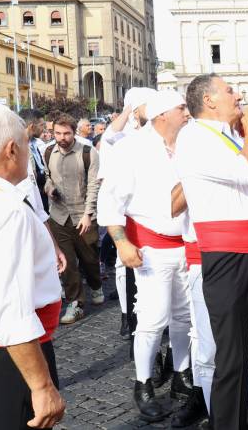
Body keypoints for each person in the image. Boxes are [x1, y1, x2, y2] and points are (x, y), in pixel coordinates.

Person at [175, 74, 248, 430]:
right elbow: (241, 173)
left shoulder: (235, 137)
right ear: (208, 100)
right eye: (229, 91)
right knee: (233, 356)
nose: (238, 96)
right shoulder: (193, 137)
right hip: (227, 256)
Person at [98, 91, 193, 423]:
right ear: (162, 114)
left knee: (184, 316)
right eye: (182, 108)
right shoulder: (132, 148)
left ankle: (181, 373)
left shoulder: (189, 144)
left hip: (187, 245)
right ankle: (144, 383)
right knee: (153, 318)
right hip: (152, 247)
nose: (187, 113)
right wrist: (122, 243)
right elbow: (110, 201)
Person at [0, 104, 66, 429]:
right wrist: (41, 386)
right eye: (27, 144)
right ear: (11, 150)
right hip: (7, 356)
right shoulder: (6, 210)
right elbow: (13, 309)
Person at [98, 87, 156, 339]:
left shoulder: (156, 130)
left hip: (153, 209)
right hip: (125, 209)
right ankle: (126, 314)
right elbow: (109, 137)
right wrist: (129, 108)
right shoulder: (123, 135)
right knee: (124, 265)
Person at [45, 114, 104, 324]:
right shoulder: (48, 152)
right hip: (59, 216)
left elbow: (94, 186)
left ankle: (96, 285)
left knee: (89, 259)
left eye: (66, 133)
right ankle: (75, 303)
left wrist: (88, 215)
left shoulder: (88, 153)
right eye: (58, 133)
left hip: (83, 215)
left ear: (74, 133)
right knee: (67, 263)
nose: (62, 137)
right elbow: (48, 178)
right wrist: (49, 189)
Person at [19, 109, 49, 210]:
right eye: (41, 125)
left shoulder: (37, 143)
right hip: (31, 196)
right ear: (32, 126)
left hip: (43, 192)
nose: (44, 129)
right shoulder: (19, 147)